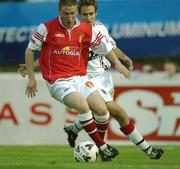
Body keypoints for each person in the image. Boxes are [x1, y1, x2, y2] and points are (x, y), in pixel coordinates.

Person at [21, 0, 132, 161]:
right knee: (83, 107)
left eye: (73, 13)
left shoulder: (86, 29)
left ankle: (84, 137)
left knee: (102, 110)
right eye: (66, 13)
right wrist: (31, 78)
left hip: (80, 78)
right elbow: (30, 51)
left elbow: (105, 48)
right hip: (58, 81)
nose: (70, 17)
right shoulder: (46, 28)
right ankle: (103, 147)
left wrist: (118, 63)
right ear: (59, 11)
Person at [62, 0, 164, 160]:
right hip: (88, 80)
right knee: (120, 114)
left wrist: (124, 58)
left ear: (96, 13)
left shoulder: (101, 28)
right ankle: (148, 150)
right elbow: (55, 51)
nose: (88, 17)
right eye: (84, 14)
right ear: (79, 15)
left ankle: (75, 130)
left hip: (104, 78)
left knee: (102, 114)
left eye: (91, 14)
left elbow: (110, 47)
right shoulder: (75, 32)